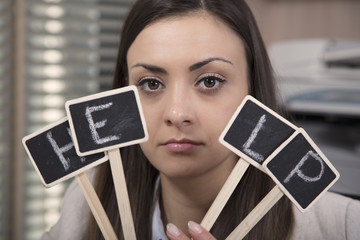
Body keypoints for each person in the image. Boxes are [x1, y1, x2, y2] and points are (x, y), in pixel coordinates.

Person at [41, 0, 360, 239]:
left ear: (252, 89)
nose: (177, 114)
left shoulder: (344, 225)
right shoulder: (85, 204)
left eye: (210, 81)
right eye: (151, 83)